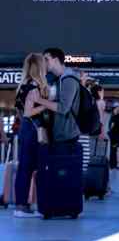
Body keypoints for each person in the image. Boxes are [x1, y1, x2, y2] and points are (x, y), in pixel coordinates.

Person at [13, 53, 49, 218]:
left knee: (24, 168)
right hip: (34, 130)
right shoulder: (34, 86)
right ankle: (27, 206)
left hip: (25, 129)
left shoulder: (22, 86)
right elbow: (28, 112)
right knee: (37, 168)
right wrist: (46, 105)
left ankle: (21, 205)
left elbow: (20, 113)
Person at [33, 48, 81, 153]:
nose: (44, 62)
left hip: (67, 139)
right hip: (58, 137)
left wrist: (39, 100)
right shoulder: (56, 80)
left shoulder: (69, 80)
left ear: (55, 60)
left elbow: (63, 108)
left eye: (46, 59)